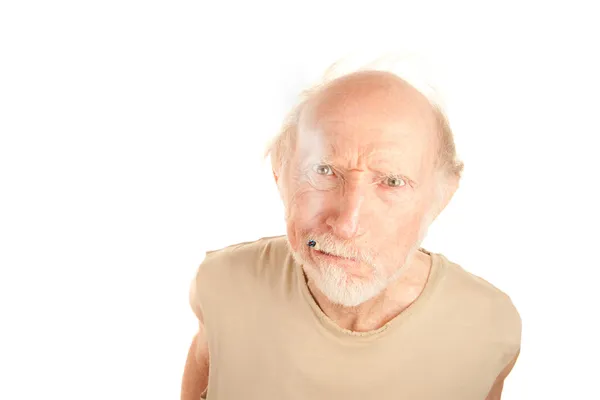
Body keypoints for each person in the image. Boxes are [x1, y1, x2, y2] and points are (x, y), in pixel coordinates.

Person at [181, 61, 521, 400]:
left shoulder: (489, 327)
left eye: (392, 182)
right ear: (280, 172)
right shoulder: (221, 285)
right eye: (324, 170)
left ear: (442, 196)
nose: (346, 225)